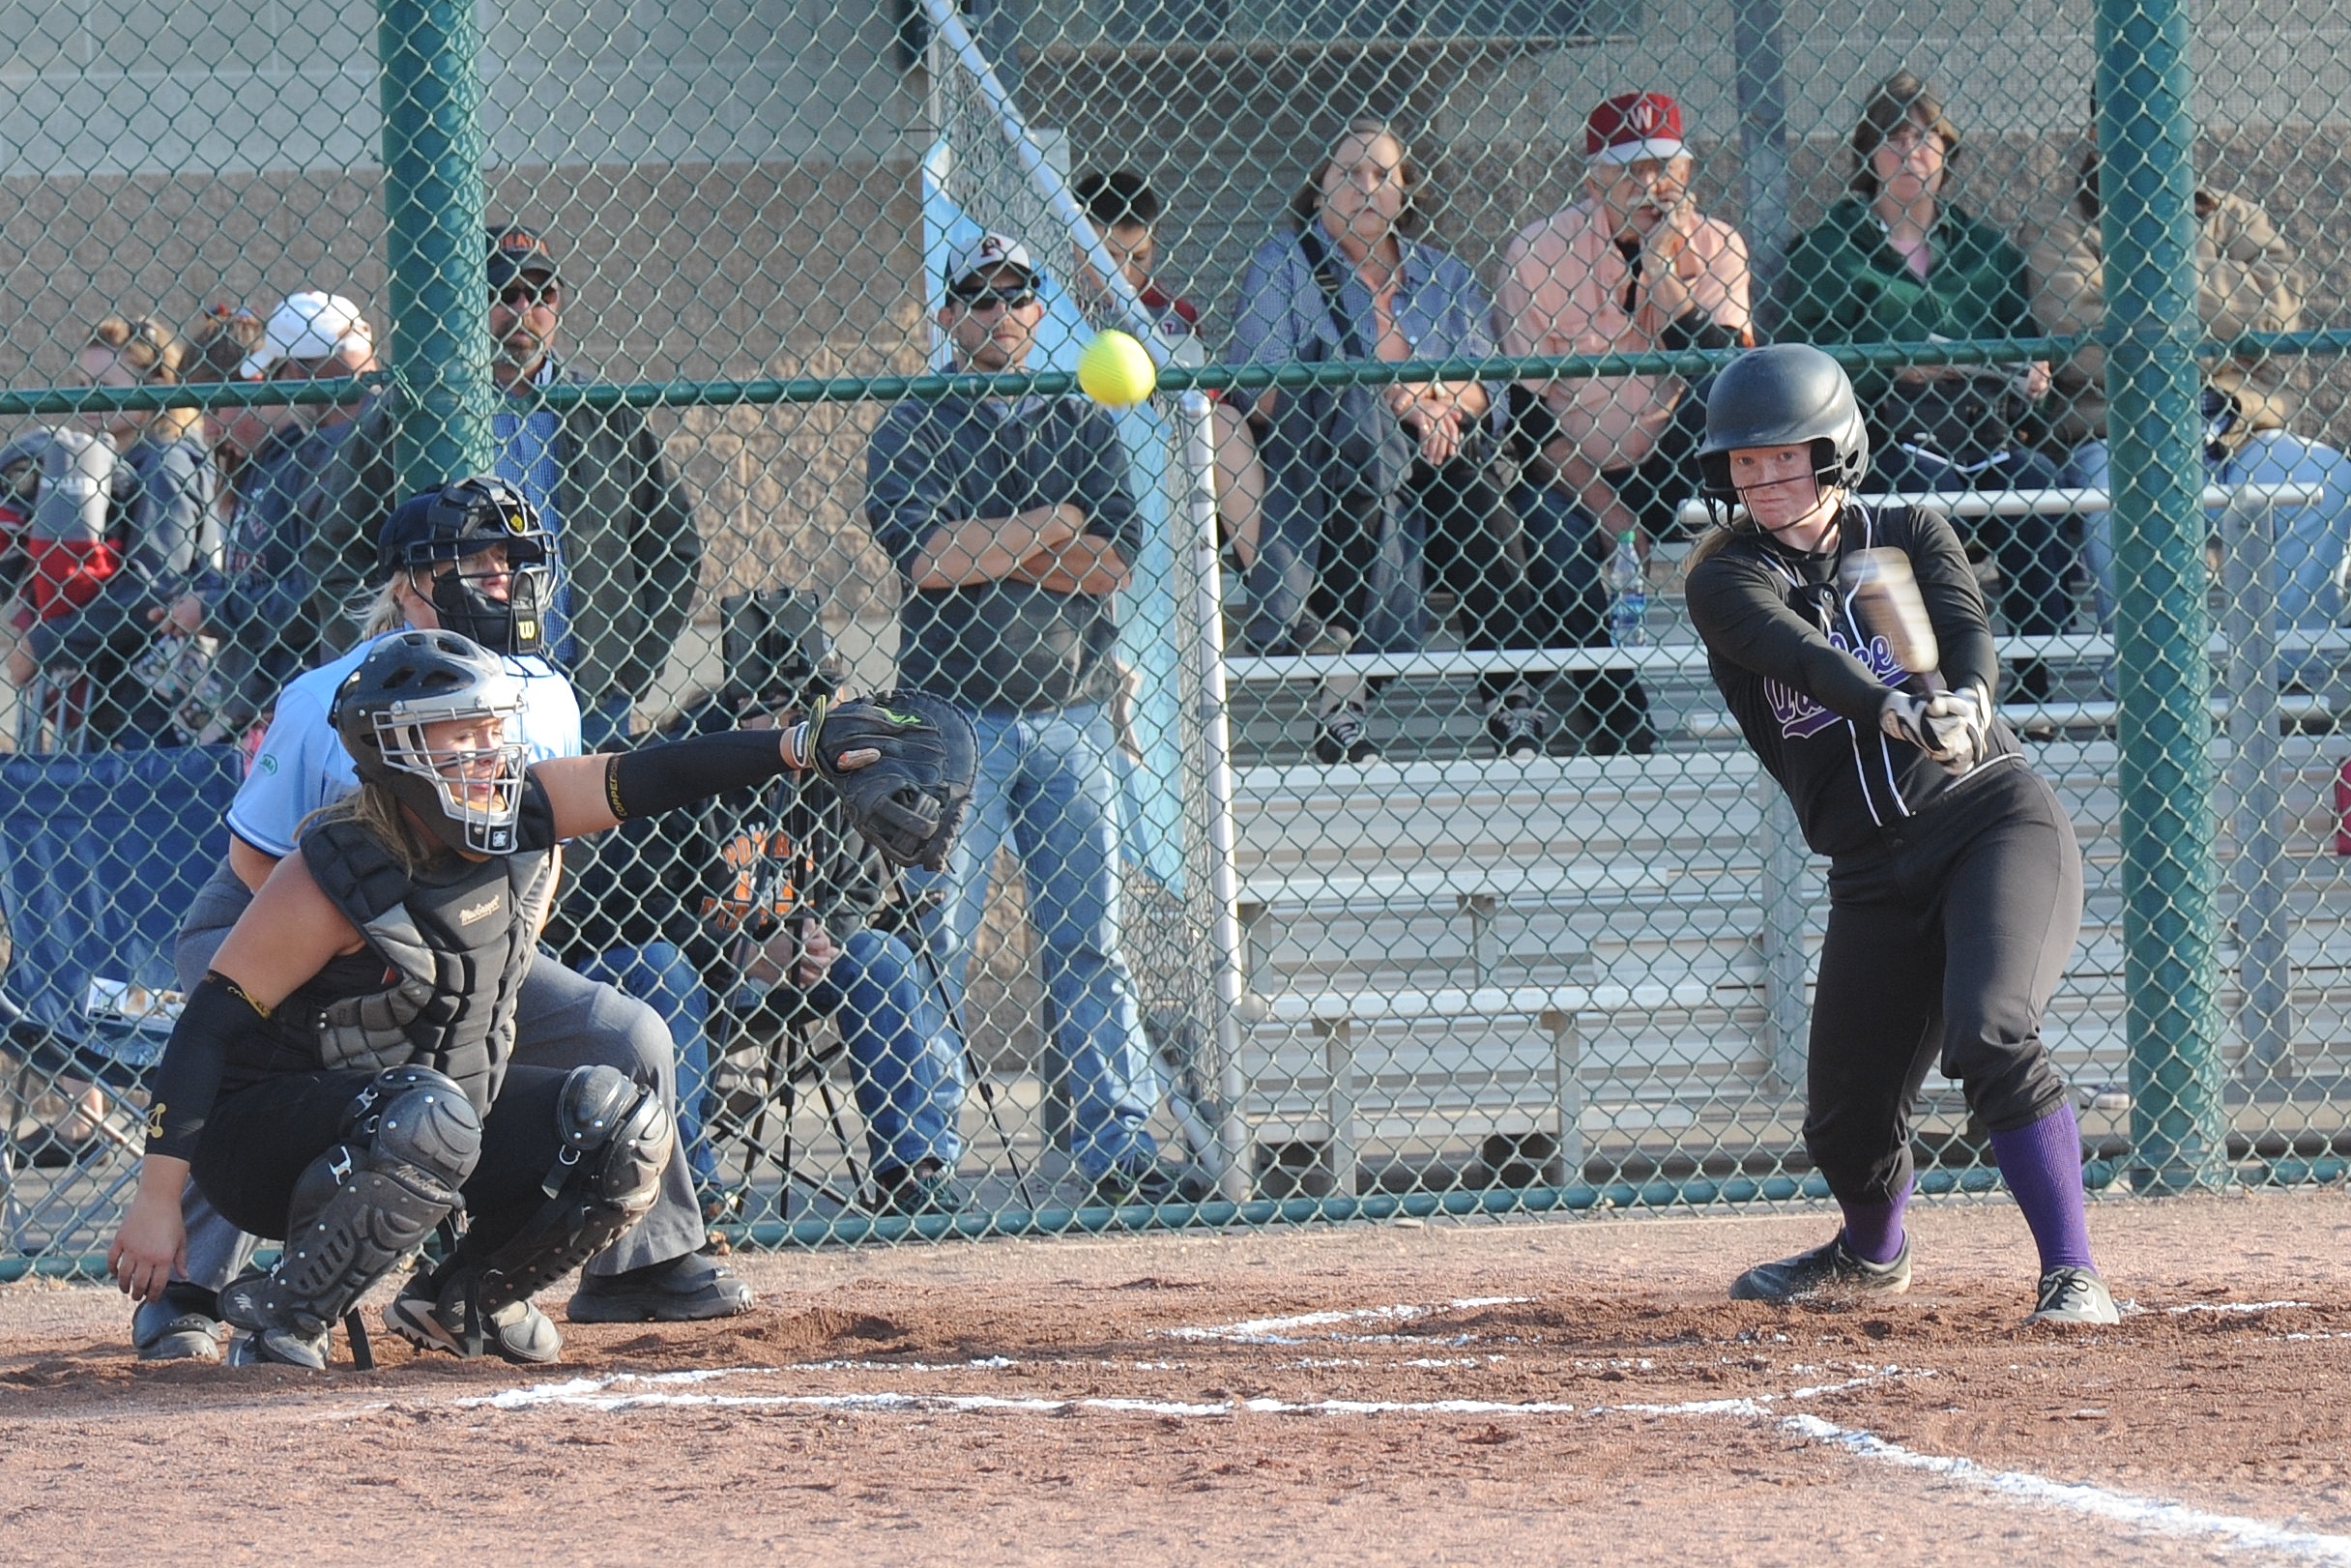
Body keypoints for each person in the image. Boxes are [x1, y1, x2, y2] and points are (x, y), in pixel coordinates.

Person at [104, 628, 895, 1370]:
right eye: (462, 734)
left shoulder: (524, 813)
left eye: (493, 729)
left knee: (618, 1124)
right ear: (395, 748)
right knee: (430, 1114)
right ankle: (282, 1322)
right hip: (275, 1145)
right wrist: (156, 1201)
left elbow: (655, 774)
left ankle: (464, 1299)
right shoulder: (336, 870)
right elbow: (205, 1032)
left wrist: (795, 748)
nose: (489, 752)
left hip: (422, 1120)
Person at [129, 477, 747, 1367]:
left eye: (514, 560)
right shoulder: (326, 696)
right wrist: (377, 973)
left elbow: (543, 839)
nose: (500, 578)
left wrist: (483, 962)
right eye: (475, 559)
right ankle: (187, 1288)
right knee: (265, 1056)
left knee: (625, 1034)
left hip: (456, 931)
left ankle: (626, 1265)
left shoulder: (544, 691)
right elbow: (256, 863)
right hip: (290, 924)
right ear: (410, 582)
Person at [1681, 342, 2116, 1326]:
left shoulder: (1908, 525)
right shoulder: (1723, 580)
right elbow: (1795, 654)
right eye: (1744, 464)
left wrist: (1964, 699)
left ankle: (2071, 1270)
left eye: (1785, 456)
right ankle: (1870, 1255)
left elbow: (1961, 628)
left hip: (1988, 823)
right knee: (1843, 1115)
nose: (1763, 479)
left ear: (1836, 452)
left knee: (1990, 1028)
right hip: (1871, 866)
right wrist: (1887, 706)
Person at [866, 230, 1198, 1205]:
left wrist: (998, 547)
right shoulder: (917, 421)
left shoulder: (1078, 417)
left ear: (1039, 312)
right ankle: (919, 1154)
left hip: (1072, 714)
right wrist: (1053, 525)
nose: (998, 313)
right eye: (977, 298)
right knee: (936, 938)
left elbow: (1111, 566)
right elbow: (926, 560)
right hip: (949, 717)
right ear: (946, 316)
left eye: (1016, 296)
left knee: (1088, 936)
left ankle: (1114, 1140)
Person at [552, 590, 970, 1217]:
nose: (793, 725)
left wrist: (824, 935)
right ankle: (687, 1180)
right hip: (686, 970)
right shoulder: (685, 765)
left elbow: (856, 889)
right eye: (771, 707)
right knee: (662, 964)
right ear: (738, 706)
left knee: (878, 956)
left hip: (791, 967)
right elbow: (638, 907)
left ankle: (913, 1166)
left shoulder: (835, 773)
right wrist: (745, 951)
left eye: (809, 709)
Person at [308, 224, 701, 746]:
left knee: (581, 822)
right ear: (468, 302)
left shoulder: (604, 414)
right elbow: (335, 551)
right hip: (444, 689)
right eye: (504, 293)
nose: (524, 308)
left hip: (583, 688)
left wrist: (630, 668)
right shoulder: (410, 415)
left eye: (541, 294)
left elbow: (673, 545)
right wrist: (375, 661)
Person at [1778, 72, 2071, 700]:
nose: (1909, 154)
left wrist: (2035, 377)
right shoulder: (1829, 251)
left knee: (2040, 484)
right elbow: (1801, 365)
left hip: (1984, 431)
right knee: (1918, 496)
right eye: (1891, 139)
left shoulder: (1986, 253)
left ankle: (2036, 683)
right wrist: (1888, 367)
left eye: (1924, 139)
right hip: (1893, 437)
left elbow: (2025, 342)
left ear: (1947, 152)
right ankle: (1930, 683)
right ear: (1867, 156)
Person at [1228, 118, 1498, 764]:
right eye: (1348, 172)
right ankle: (1347, 699)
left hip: (1437, 449)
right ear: (1318, 189)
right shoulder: (1284, 263)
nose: (1365, 187)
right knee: (1371, 455)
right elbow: (1259, 388)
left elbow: (1490, 386)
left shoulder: (1446, 275)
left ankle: (1507, 693)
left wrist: (1436, 403)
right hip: (1324, 452)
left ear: (1406, 191)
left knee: (1487, 501)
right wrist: (1397, 396)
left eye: (1383, 174)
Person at [2028, 116, 2347, 657]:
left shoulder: (2228, 213)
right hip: (2121, 431)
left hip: (2236, 427)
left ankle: (2290, 674)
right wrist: (2221, 320)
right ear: (2092, 133)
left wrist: (2152, 284)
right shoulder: (2062, 224)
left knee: (2328, 478)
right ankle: (2137, 691)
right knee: (2110, 498)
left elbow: (2278, 314)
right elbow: (2077, 341)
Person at [1498, 91, 1754, 756]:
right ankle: (1614, 708)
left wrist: (1664, 268)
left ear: (1688, 171)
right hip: (1574, 471)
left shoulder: (1718, 242)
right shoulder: (1537, 250)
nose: (1649, 185)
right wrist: (1616, 520)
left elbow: (1723, 374)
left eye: (1662, 167)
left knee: (1723, 389)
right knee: (1555, 550)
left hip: (1682, 466)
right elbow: (1527, 420)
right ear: (1592, 181)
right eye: (1628, 171)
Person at [156, 290, 377, 739]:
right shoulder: (264, 469)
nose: (209, 427)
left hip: (301, 698)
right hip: (265, 703)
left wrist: (215, 607)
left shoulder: (317, 461)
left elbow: (310, 596)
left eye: (217, 406)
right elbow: (265, 575)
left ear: (286, 375)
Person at [4, 316, 219, 747]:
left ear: (157, 387)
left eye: (105, 385)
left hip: (146, 703)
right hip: (115, 692)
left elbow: (155, 588)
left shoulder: (166, 461)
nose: (88, 398)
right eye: (83, 383)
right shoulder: (117, 459)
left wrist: (44, 642)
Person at [1072, 168, 1262, 569]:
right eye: (1106, 257)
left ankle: (1271, 587)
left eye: (1138, 257)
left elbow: (1202, 402)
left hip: (1163, 453)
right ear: (1075, 245)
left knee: (1225, 420)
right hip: (1077, 451)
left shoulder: (1172, 313)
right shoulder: (1045, 309)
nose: (1122, 274)